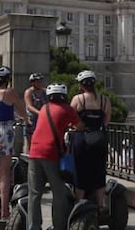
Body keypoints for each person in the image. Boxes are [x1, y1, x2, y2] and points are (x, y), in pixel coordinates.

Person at [28, 83, 83, 230]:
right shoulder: (67, 109)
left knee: (34, 193)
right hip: (51, 154)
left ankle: (33, 226)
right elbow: (80, 127)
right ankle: (59, 226)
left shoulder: (44, 108)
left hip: (33, 152)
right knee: (58, 193)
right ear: (64, 96)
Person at [0, 66, 30, 220]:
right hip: (4, 130)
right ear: (7, 79)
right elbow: (21, 109)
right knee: (4, 173)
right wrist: (27, 120)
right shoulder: (9, 92)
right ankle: (4, 211)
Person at [70, 70, 112, 214]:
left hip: (81, 139)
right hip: (99, 140)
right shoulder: (104, 100)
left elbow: (71, 119)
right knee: (99, 172)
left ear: (81, 85)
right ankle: (100, 206)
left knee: (80, 172)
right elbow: (106, 122)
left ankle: (79, 204)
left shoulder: (78, 99)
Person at [24, 73, 47, 150]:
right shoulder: (29, 92)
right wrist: (39, 113)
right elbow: (29, 106)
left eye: (40, 81)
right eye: (37, 81)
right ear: (32, 82)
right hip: (32, 119)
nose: (39, 83)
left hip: (43, 119)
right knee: (31, 141)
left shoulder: (45, 92)